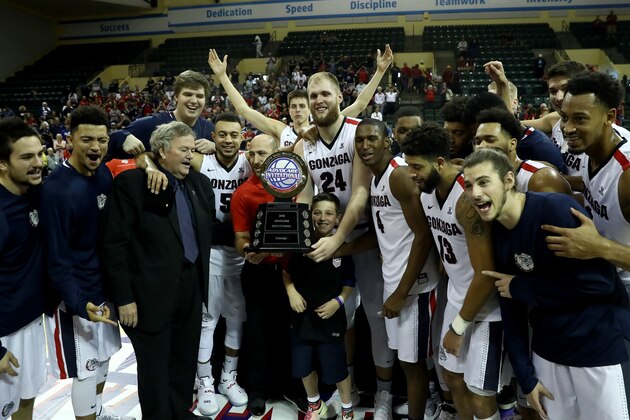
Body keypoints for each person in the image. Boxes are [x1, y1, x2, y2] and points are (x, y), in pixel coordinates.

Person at [462, 147, 630, 419]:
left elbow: (598, 284)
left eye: (483, 182)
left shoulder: (555, 210)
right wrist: (526, 377)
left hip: (598, 348)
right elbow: (511, 310)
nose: (475, 193)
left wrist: (522, 287)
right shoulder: (498, 232)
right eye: (469, 186)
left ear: (508, 181)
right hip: (548, 352)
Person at [294, 72, 395, 419]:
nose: (318, 101)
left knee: (376, 316)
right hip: (325, 240)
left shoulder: (357, 134)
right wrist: (315, 241)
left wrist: (338, 238)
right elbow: (304, 199)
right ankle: (345, 388)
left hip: (364, 235)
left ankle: (383, 392)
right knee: (342, 320)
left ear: (339, 96)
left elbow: (360, 193)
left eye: (324, 94)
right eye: (312, 96)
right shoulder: (303, 144)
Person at [102, 121, 217, 420]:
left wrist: (251, 239)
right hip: (148, 293)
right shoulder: (132, 184)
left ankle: (179, 412)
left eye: (193, 149)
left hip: (192, 285)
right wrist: (124, 298)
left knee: (184, 359)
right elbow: (115, 246)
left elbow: (210, 232)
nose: (191, 155)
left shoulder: (201, 185)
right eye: (184, 149)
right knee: (154, 367)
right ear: (162, 151)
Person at [402, 124, 509, 420]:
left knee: (480, 394)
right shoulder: (427, 194)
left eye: (416, 166)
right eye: (408, 165)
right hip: (458, 297)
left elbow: (486, 272)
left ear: (439, 162)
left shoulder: (466, 200)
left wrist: (459, 326)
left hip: (486, 309)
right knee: (452, 379)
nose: (411, 173)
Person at [40, 106, 130, 420]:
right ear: (71, 140)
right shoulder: (56, 190)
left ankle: (98, 411)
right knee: (86, 370)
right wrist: (78, 302)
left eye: (102, 140)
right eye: (87, 140)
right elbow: (56, 257)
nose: (95, 147)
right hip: (76, 299)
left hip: (104, 289)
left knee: (104, 360)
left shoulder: (103, 173)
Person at [354, 119, 442, 420]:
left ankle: (427, 408)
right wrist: (335, 249)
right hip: (394, 282)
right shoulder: (375, 179)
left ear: (387, 142)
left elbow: (423, 235)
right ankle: (427, 403)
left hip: (414, 287)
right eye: (360, 140)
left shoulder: (399, 176)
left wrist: (401, 293)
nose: (365, 146)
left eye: (372, 139)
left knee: (414, 364)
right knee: (408, 362)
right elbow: (377, 234)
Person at [230, 134, 297, 416]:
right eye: (252, 154)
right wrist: (249, 250)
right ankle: (256, 390)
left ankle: (289, 387)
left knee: (289, 331)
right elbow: (240, 237)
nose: (257, 160)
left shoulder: (296, 185)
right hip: (258, 271)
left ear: (276, 155)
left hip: (290, 272)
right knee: (257, 332)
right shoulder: (243, 193)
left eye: (263, 154)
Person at [208, 45, 393, 148]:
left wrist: (380, 72)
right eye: (293, 107)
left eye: (302, 106)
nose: (297, 110)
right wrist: (223, 76)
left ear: (310, 107)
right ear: (288, 110)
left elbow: (360, 104)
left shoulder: (322, 127)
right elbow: (243, 110)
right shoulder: (281, 130)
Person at [192, 112, 252, 415]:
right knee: (208, 320)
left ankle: (229, 376)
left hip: (240, 254)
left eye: (234, 134)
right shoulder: (201, 161)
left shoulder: (250, 162)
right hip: (212, 253)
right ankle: (204, 380)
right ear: (213, 136)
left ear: (242, 137)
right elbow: (156, 155)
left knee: (236, 318)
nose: (228, 139)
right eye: (222, 134)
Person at [283, 192, 355, 420]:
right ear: (309, 215)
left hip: (330, 319)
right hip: (301, 318)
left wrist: (339, 302)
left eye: (328, 213)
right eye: (317, 212)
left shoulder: (342, 248)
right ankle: (315, 405)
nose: (322, 218)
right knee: (303, 366)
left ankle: (346, 408)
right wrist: (291, 292)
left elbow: (349, 282)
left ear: (338, 218)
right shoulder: (299, 242)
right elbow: (286, 271)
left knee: (336, 369)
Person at [0, 118, 47, 420]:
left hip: (31, 321)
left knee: (26, 401)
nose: (38, 163)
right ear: (3, 164)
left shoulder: (33, 193)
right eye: (27, 157)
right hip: (4, 334)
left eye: (40, 153)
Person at [108, 70, 215, 158]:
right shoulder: (152, 123)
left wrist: (215, 147)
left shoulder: (210, 129)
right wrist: (124, 137)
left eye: (199, 96)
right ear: (176, 97)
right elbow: (112, 138)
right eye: (188, 94)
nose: (194, 101)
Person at [473, 107, 571, 195]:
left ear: (512, 144)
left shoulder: (540, 178)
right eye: (478, 142)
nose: (481, 146)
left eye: (490, 140)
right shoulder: (476, 177)